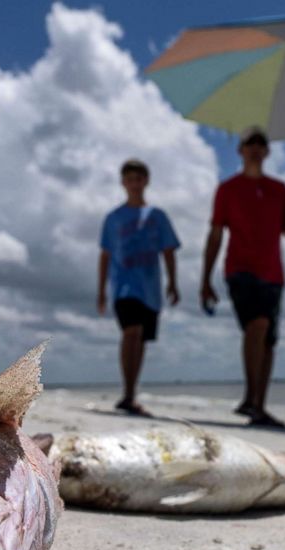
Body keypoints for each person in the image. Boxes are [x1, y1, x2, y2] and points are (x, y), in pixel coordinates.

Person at [200, 126, 285, 428]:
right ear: (240, 150)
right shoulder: (228, 188)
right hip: (240, 270)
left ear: (268, 151)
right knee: (257, 325)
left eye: (261, 143)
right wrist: (205, 279)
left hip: (274, 273)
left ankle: (258, 404)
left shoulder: (278, 189)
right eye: (250, 143)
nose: (256, 148)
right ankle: (250, 397)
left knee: (269, 341)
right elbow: (216, 234)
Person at [98, 159, 180, 416]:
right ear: (123, 183)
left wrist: (173, 282)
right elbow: (105, 254)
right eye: (130, 179)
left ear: (146, 181)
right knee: (131, 332)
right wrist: (101, 290)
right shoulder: (113, 218)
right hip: (123, 286)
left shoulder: (157, 216)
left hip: (150, 289)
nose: (134, 183)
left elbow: (168, 251)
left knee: (141, 338)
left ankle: (131, 393)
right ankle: (127, 392)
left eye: (139, 178)